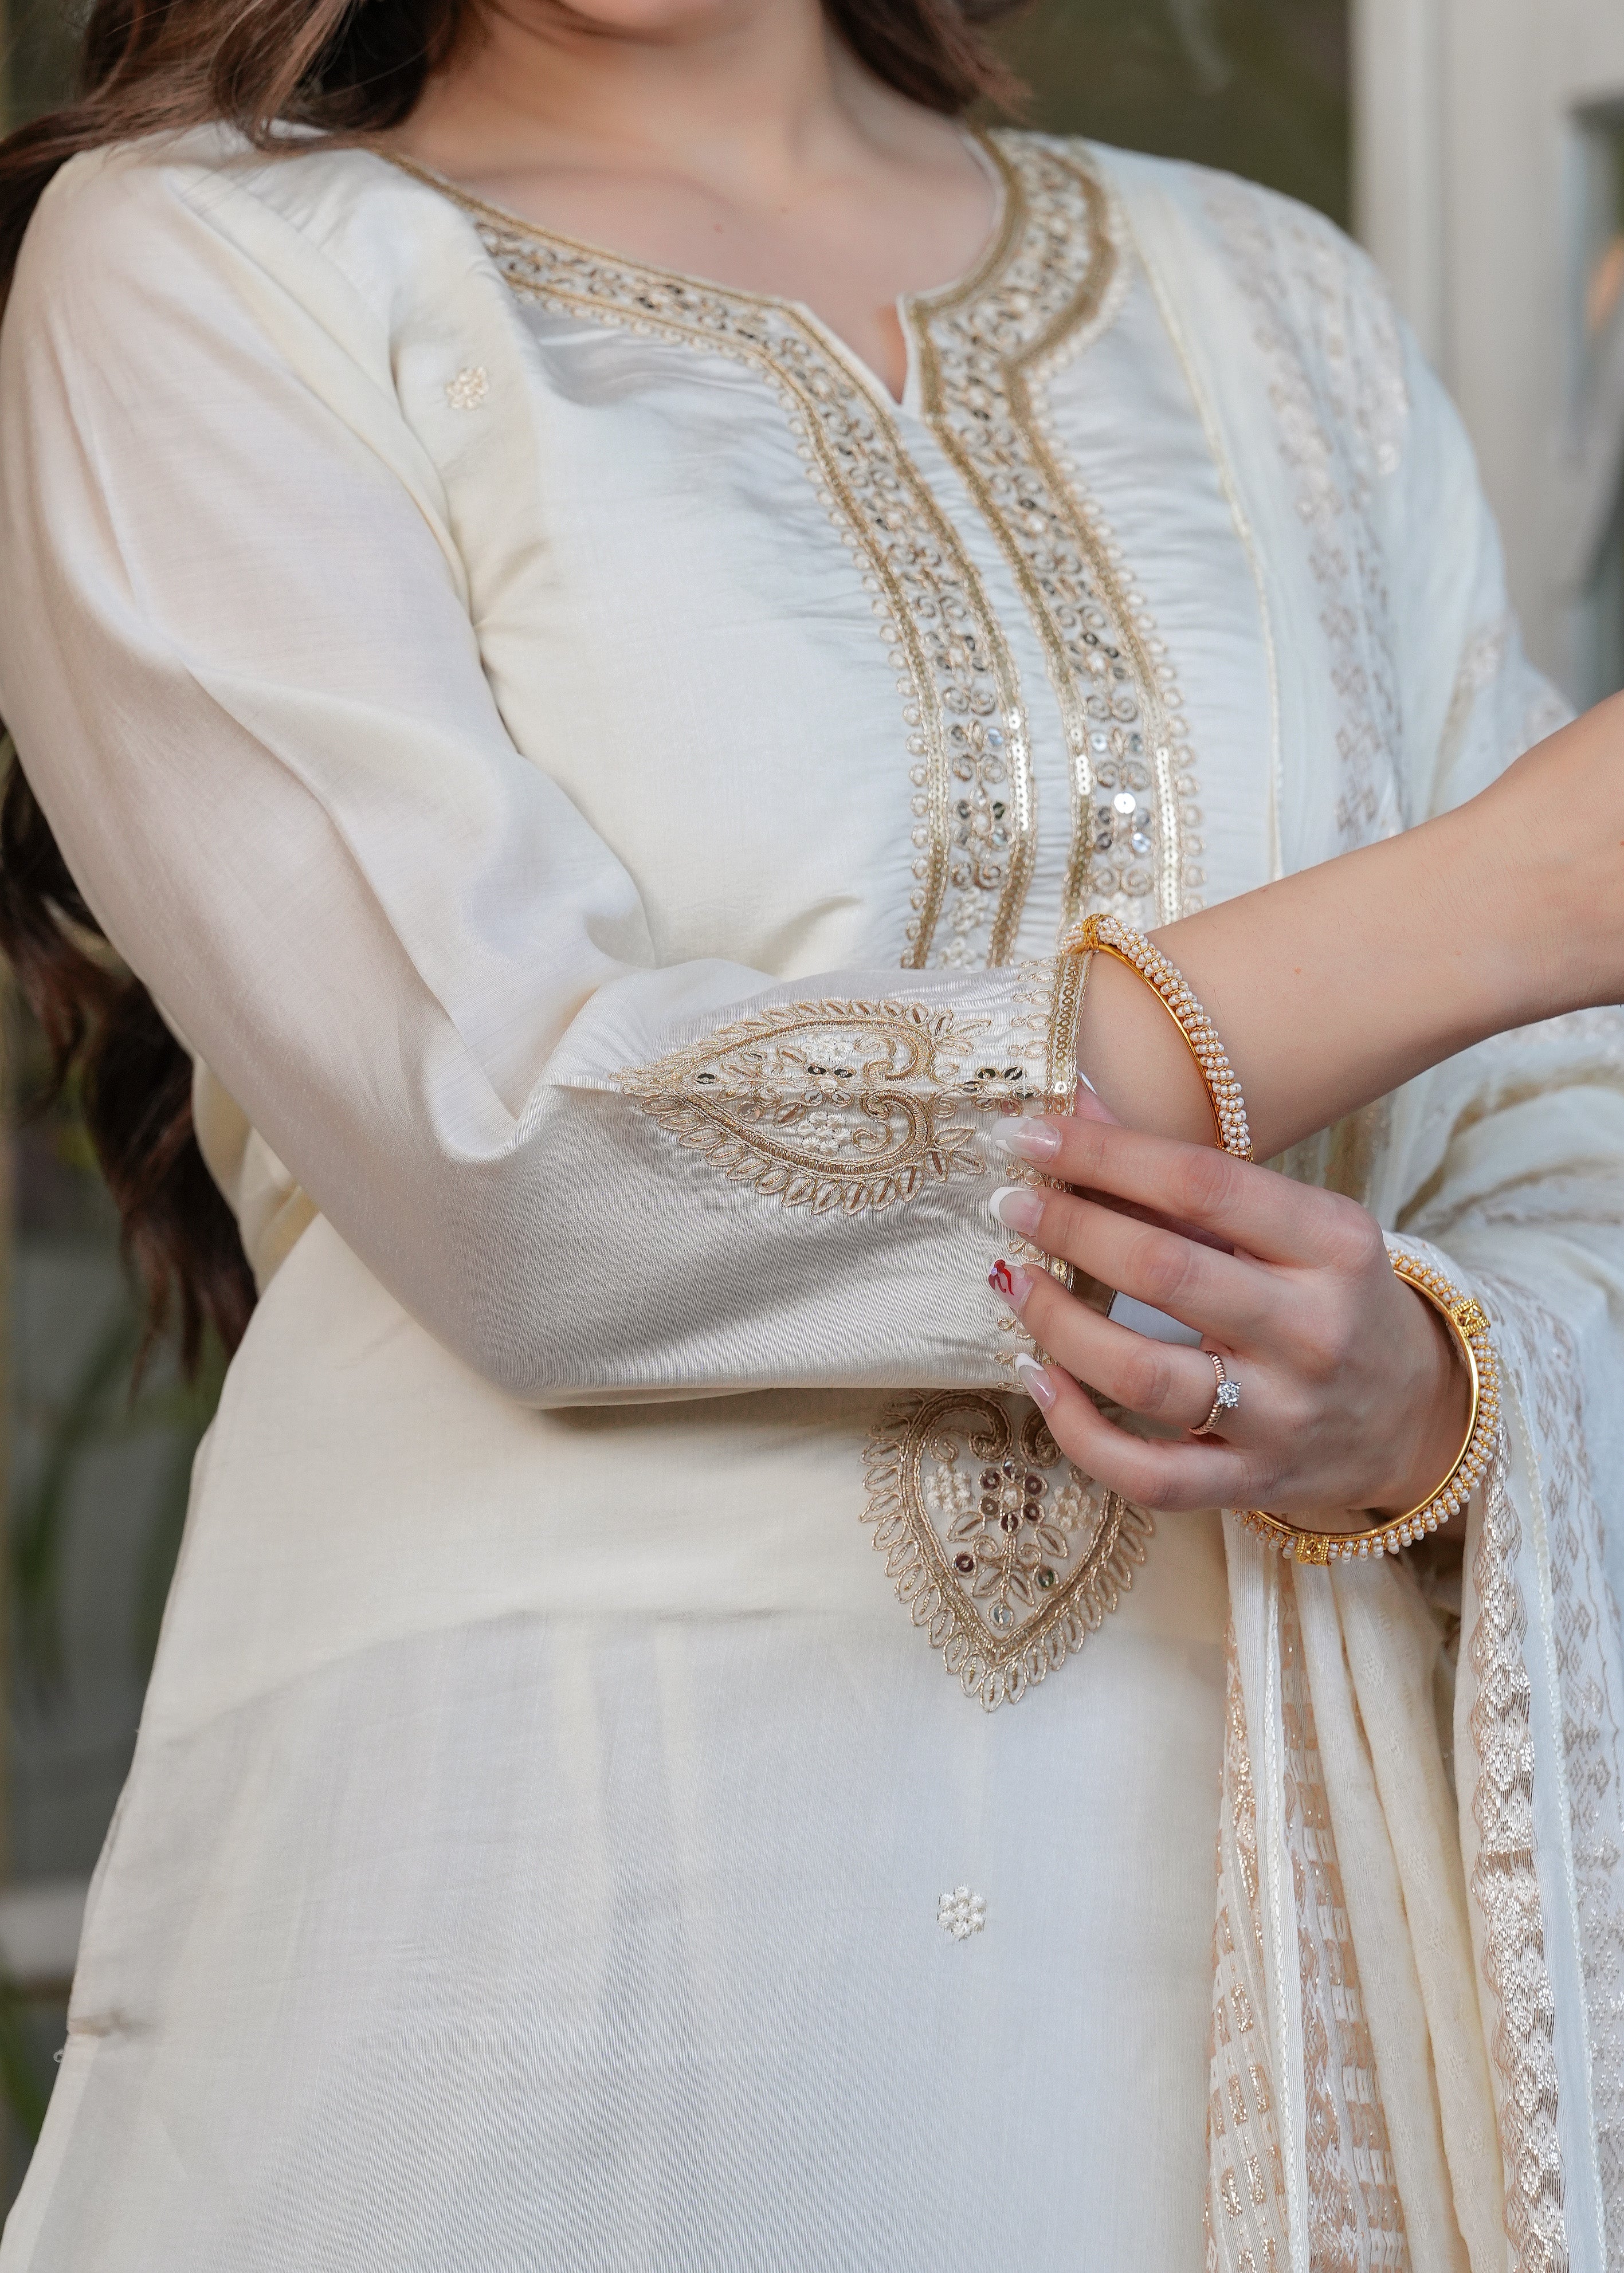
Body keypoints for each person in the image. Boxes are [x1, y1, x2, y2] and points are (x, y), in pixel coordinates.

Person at [0, 1, 1619, 2265]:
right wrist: (1504, 899)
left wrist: (1416, 1394)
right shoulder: (211, 273)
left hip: (1220, 1951)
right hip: (542, 1954)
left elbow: (1567, 1163)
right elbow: (521, 1159)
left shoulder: (1278, 315)